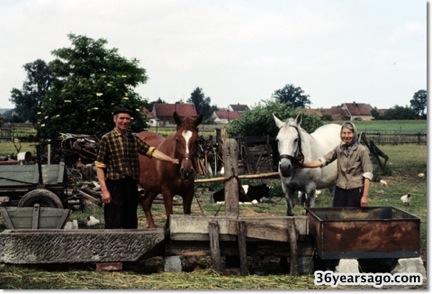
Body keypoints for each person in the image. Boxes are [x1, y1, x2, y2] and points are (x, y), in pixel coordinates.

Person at [95, 107, 179, 229]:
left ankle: (131, 246)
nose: (124, 121)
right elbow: (100, 167)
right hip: (114, 185)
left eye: (127, 119)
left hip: (131, 184)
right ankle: (113, 245)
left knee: (130, 220)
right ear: (115, 120)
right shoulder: (107, 139)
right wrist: (104, 190)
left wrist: (170, 159)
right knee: (114, 220)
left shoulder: (133, 138)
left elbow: (151, 151)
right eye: (121, 118)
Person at [299, 121, 373, 207]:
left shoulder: (361, 150)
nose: (346, 136)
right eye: (344, 133)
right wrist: (304, 165)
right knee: (337, 215)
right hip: (340, 190)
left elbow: (368, 174)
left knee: (352, 217)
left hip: (355, 190)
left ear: (354, 134)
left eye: (349, 133)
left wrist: (365, 196)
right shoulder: (339, 149)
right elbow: (323, 160)